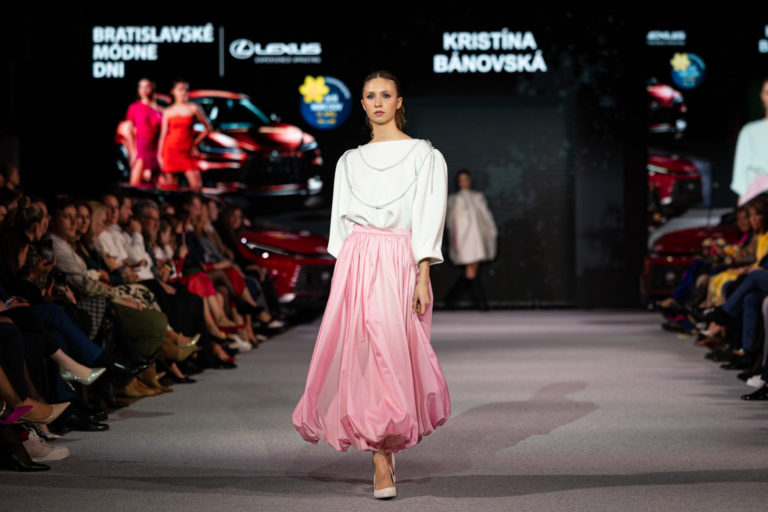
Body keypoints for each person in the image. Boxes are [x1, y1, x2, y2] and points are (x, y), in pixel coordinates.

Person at [291, 70, 451, 500]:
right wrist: (346, 278)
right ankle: (380, 455)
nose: (378, 102)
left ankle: (385, 447)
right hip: (357, 261)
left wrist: (422, 275)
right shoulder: (348, 161)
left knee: (392, 354)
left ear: (399, 102)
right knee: (363, 356)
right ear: (362, 104)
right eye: (370, 95)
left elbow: (428, 217)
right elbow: (340, 228)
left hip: (399, 259)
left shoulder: (423, 156)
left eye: (385, 94)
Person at [444, 169, 497, 310]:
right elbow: (454, 223)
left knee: (472, 268)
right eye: (461, 180)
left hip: (478, 237)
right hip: (465, 239)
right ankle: (481, 303)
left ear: (470, 180)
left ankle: (451, 299)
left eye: (466, 179)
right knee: (471, 268)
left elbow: (485, 217)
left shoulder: (477, 197)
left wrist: (490, 232)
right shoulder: (455, 199)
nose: (464, 182)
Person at [156, 79, 212, 190]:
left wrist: (195, 143)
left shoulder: (194, 107)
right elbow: (163, 134)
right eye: (180, 89)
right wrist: (159, 155)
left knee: (196, 187)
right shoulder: (168, 111)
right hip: (170, 150)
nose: (184, 92)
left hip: (187, 150)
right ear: (173, 91)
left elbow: (208, 128)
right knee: (171, 188)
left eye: (186, 90)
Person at [731, 78, 768, 205]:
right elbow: (741, 171)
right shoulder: (749, 131)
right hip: (757, 199)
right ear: (762, 96)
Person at [124, 78, 164, 186]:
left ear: (152, 88)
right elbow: (129, 131)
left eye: (147, 87)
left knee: (155, 184)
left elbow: (163, 133)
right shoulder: (134, 107)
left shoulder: (159, 109)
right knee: (134, 183)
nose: (144, 90)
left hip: (156, 149)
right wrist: (133, 151)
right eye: (141, 87)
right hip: (141, 148)